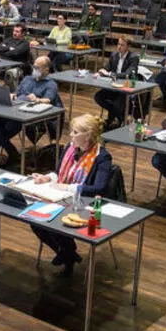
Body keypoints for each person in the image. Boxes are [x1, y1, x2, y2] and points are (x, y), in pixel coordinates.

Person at [28, 114, 113, 276]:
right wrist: (47, 178)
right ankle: (68, 253)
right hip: (62, 197)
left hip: (86, 204)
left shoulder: (102, 157)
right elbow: (59, 173)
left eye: (75, 132)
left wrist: (68, 188)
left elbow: (99, 188)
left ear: (87, 136)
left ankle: (67, 255)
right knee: (35, 221)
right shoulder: (69, 148)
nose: (70, 135)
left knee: (56, 221)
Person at [0, 56, 62, 167]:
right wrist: (12, 95)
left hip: (29, 115)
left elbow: (48, 100)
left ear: (46, 70)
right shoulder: (27, 79)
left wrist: (37, 99)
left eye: (38, 68)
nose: (34, 69)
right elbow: (17, 93)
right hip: (13, 108)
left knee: (8, 128)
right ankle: (12, 153)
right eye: (34, 67)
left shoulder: (51, 84)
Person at [94, 37, 141, 130]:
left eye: (122, 45)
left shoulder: (133, 57)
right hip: (114, 86)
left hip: (126, 88)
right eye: (118, 44)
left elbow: (128, 74)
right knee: (98, 96)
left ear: (128, 47)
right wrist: (100, 73)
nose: (119, 47)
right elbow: (107, 68)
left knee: (117, 103)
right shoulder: (114, 55)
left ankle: (111, 120)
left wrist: (111, 74)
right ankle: (120, 117)